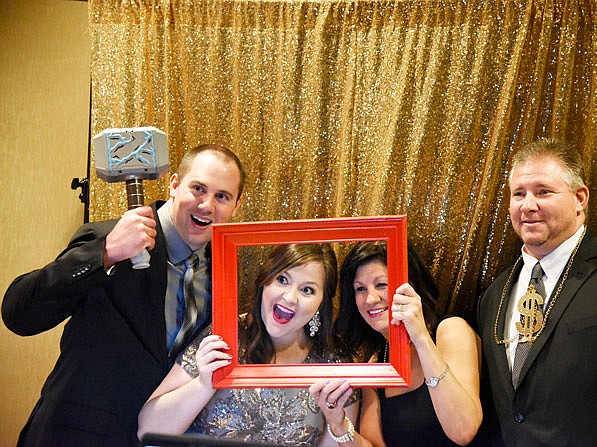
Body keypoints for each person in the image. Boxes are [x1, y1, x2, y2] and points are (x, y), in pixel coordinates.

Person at [2, 143, 245, 446]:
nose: (207, 205)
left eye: (222, 196)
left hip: (154, 438)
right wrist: (105, 253)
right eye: (198, 188)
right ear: (174, 184)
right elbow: (19, 314)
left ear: (236, 204)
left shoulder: (226, 269)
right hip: (75, 434)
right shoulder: (110, 239)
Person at [476, 138, 597, 446]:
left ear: (580, 198)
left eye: (543, 192)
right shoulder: (494, 296)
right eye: (518, 194)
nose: (528, 205)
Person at [137, 243, 359, 446]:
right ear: (265, 280)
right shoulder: (225, 335)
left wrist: (338, 424)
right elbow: (148, 428)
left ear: (321, 303)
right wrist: (204, 384)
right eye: (282, 279)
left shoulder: (334, 363)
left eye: (307, 289)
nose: (290, 297)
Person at [310, 242, 482, 447]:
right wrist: (338, 424)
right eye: (360, 289)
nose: (371, 298)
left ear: (409, 285)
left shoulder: (450, 331)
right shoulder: (376, 362)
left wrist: (420, 337)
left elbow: (463, 431)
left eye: (381, 284)